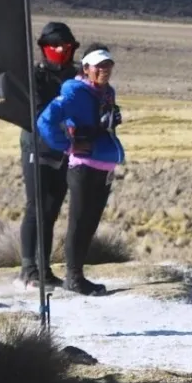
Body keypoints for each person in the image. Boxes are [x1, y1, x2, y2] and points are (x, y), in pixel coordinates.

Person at [37, 43, 124, 296]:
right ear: (86, 68)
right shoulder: (74, 92)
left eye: (108, 65)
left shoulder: (107, 92)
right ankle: (73, 278)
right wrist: (67, 145)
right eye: (99, 66)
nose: (104, 70)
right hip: (83, 167)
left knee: (90, 223)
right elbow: (45, 120)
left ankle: (78, 275)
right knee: (79, 221)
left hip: (104, 165)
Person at [16, 22, 81, 290]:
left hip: (66, 149)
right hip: (37, 146)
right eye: (54, 46)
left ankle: (44, 269)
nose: (60, 50)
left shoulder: (77, 77)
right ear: (44, 48)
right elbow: (37, 112)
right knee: (36, 207)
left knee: (52, 209)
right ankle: (29, 269)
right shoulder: (34, 77)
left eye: (65, 46)